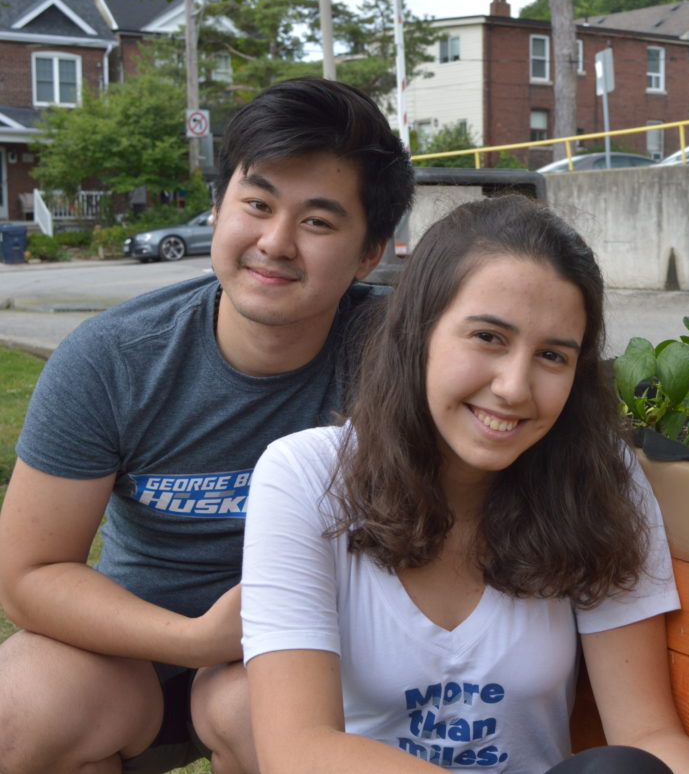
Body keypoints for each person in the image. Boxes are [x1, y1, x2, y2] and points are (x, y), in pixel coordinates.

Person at [0, 77, 414, 773]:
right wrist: (195, 639)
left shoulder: (399, 356)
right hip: (142, 647)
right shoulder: (112, 359)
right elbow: (28, 574)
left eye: (317, 222)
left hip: (321, 655)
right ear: (218, 208)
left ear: (370, 252)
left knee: (258, 712)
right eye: (256, 205)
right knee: (23, 707)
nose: (275, 243)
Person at [240, 195, 689, 773]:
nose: (515, 387)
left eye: (552, 356)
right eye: (489, 337)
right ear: (419, 331)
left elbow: (647, 731)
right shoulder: (306, 475)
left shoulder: (594, 479)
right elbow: (298, 751)